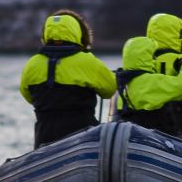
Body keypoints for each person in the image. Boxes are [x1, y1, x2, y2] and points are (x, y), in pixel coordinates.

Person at [19, 10, 116, 149]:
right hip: (82, 138)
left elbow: (28, 96)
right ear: (77, 33)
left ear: (46, 34)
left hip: (44, 137)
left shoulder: (31, 64)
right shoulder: (88, 62)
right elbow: (110, 89)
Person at [114, 36, 182, 135]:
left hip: (134, 137)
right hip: (156, 140)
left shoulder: (124, 83)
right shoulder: (151, 82)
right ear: (146, 57)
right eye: (153, 56)